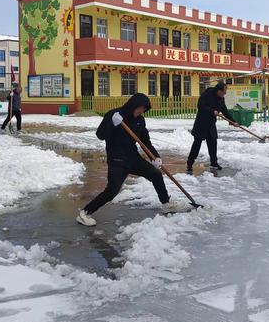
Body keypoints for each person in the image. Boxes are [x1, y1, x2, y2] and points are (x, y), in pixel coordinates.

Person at [77, 93, 189, 226]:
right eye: (140, 108)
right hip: (117, 160)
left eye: (143, 110)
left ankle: (166, 204)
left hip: (133, 158)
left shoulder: (140, 120)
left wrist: (155, 156)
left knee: (156, 174)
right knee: (111, 191)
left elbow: (145, 141)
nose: (141, 112)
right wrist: (113, 123)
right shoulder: (114, 115)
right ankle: (85, 213)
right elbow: (100, 135)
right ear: (133, 105)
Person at [186, 81, 238, 173]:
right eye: (224, 92)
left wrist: (233, 121)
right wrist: (212, 111)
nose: (224, 94)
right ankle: (190, 162)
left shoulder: (221, 99)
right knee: (197, 144)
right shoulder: (207, 94)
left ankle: (214, 162)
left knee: (213, 143)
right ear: (219, 90)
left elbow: (225, 111)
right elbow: (200, 106)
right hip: (201, 123)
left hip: (211, 124)